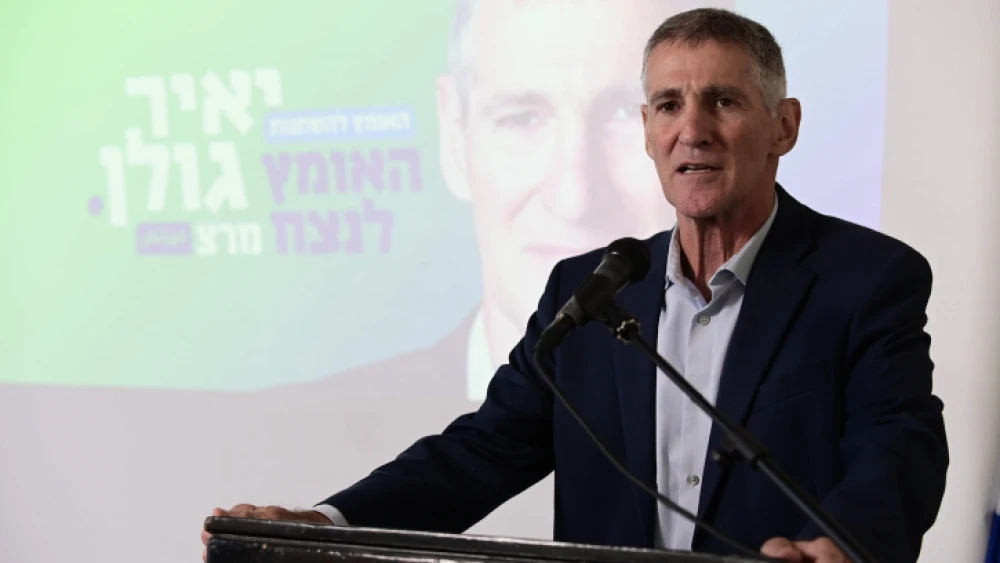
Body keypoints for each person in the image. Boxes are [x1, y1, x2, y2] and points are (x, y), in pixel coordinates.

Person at [209, 7, 948, 563]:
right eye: (667, 105)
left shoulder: (866, 279)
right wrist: (332, 523)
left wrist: (844, 544)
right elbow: (483, 451)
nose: (692, 129)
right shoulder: (594, 290)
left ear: (782, 126)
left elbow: (900, 445)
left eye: (723, 102)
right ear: (649, 130)